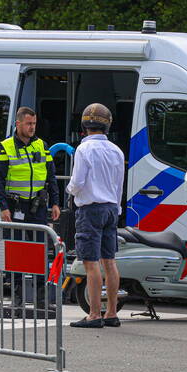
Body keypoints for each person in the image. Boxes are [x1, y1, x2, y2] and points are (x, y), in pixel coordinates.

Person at [0, 107, 61, 308]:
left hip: (37, 206)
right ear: (18, 124)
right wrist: (3, 207)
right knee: (16, 252)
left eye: (34, 124)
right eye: (29, 124)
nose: (32, 127)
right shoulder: (5, 147)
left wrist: (55, 202)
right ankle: (18, 298)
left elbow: (51, 177)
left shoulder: (41, 145)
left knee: (40, 251)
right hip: (15, 207)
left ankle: (41, 300)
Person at [66, 103, 124, 328]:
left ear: (84, 125)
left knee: (91, 264)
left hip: (90, 209)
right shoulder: (116, 151)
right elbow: (119, 185)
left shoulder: (84, 150)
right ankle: (111, 312)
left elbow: (78, 182)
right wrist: (117, 209)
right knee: (109, 262)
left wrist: (70, 190)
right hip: (111, 207)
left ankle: (94, 314)